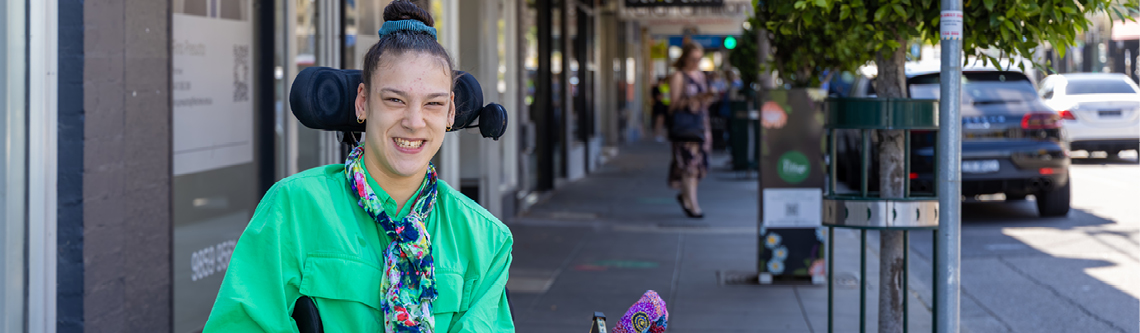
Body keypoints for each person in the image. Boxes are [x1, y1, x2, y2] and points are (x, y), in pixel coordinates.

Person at [203, 2, 514, 332]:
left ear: (451, 112)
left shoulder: (485, 241)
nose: (414, 121)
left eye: (433, 104)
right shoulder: (294, 211)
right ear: (363, 101)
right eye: (395, 100)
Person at [667, 42, 716, 218]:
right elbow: (673, 106)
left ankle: (685, 196)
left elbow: (705, 103)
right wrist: (693, 99)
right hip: (685, 128)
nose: (696, 62)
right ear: (685, 58)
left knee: (701, 167)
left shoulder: (701, 76)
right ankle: (693, 205)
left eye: (699, 59)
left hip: (701, 126)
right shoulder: (678, 77)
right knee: (689, 166)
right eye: (693, 59)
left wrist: (706, 98)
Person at [651, 77, 669, 142]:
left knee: (661, 121)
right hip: (658, 107)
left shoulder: (664, 88)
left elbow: (667, 97)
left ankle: (659, 134)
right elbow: (659, 98)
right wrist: (664, 95)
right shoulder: (656, 89)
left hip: (663, 106)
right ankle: (657, 135)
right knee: (658, 121)